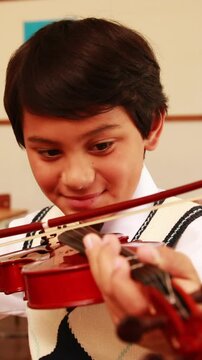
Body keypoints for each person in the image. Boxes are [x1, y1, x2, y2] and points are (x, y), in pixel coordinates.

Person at [1, 17, 202, 359]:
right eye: (50, 152)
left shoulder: (193, 239)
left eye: (101, 145)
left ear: (151, 126)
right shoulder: (25, 238)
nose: (77, 178)